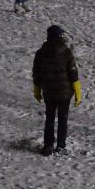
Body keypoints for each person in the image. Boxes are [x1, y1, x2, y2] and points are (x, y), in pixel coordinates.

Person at [32, 25, 81, 156]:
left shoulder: (40, 53)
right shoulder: (66, 52)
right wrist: (77, 92)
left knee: (49, 119)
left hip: (49, 92)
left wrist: (36, 89)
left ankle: (48, 146)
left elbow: (36, 73)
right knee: (63, 120)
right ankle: (60, 146)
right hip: (65, 93)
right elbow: (73, 73)